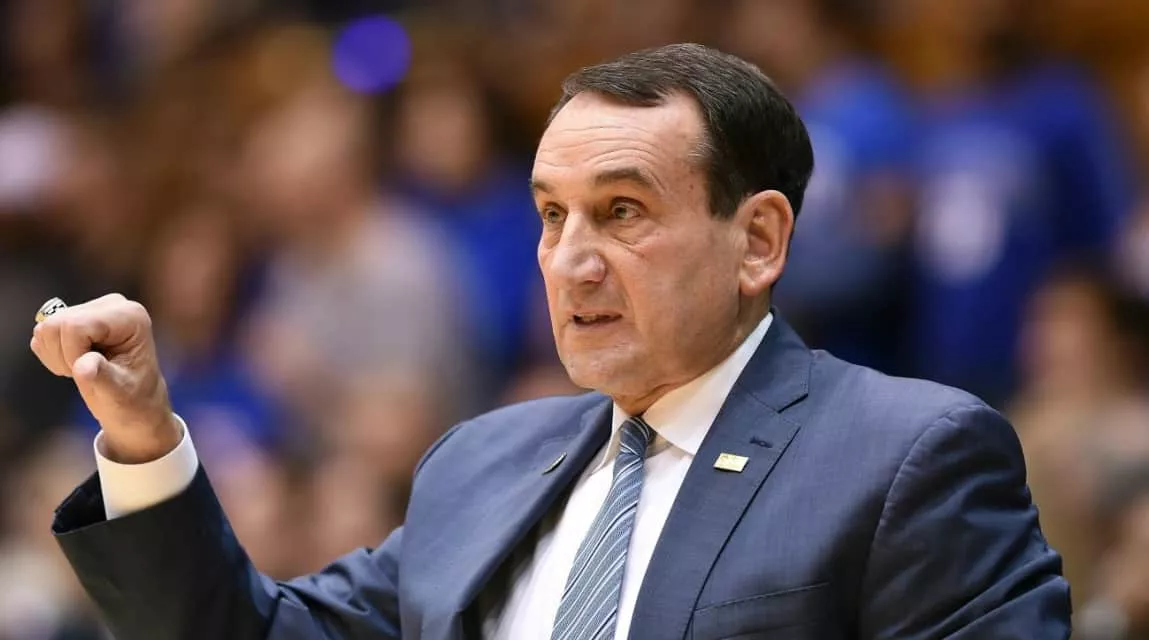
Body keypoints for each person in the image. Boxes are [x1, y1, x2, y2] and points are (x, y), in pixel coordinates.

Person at [32, 44, 1069, 639]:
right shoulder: (479, 464)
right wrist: (144, 435)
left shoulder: (906, 456)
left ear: (757, 240)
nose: (570, 261)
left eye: (621, 212)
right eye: (550, 215)